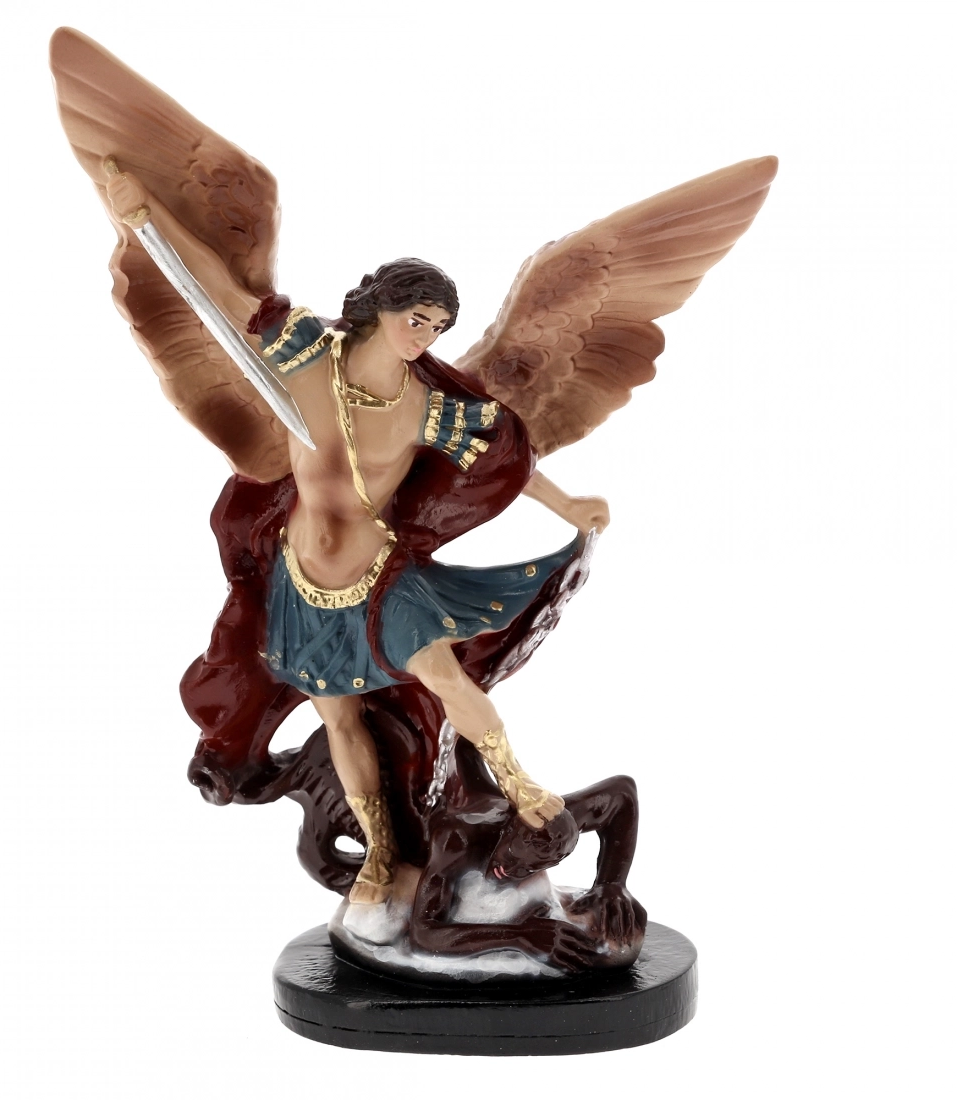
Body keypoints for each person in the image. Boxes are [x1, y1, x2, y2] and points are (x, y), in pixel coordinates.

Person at [105, 171, 610, 903]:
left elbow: (505, 460)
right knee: (339, 718)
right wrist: (145, 212)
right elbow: (218, 292)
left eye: (438, 327)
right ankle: (378, 852)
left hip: (379, 577)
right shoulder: (305, 356)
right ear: (383, 309)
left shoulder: (425, 405)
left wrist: (568, 505)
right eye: (418, 319)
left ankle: (519, 783)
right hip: (300, 581)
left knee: (444, 673)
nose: (425, 337)